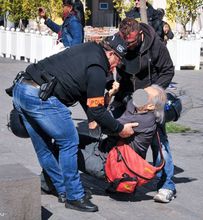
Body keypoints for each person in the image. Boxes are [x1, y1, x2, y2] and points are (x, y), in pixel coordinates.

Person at [11, 34, 139, 212]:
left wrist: (93, 117)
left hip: (22, 88)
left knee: (44, 146)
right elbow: (97, 109)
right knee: (69, 141)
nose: (117, 66)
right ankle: (74, 196)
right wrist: (119, 129)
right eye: (118, 61)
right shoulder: (97, 68)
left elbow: (81, 91)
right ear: (110, 54)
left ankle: (61, 188)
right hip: (39, 97)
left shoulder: (88, 49)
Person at [109, 17, 176, 203]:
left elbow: (168, 70)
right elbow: (113, 67)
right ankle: (127, 180)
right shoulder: (120, 41)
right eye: (125, 42)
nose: (128, 46)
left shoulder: (155, 45)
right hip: (127, 97)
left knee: (159, 142)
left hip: (149, 98)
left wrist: (152, 93)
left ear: (139, 34)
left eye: (131, 42)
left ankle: (166, 184)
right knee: (122, 138)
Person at [77, 85, 167, 179]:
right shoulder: (135, 105)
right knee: (70, 138)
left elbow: (105, 127)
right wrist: (112, 91)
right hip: (103, 148)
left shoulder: (144, 120)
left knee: (66, 149)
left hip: (110, 165)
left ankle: (72, 190)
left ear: (151, 106)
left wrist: (107, 100)